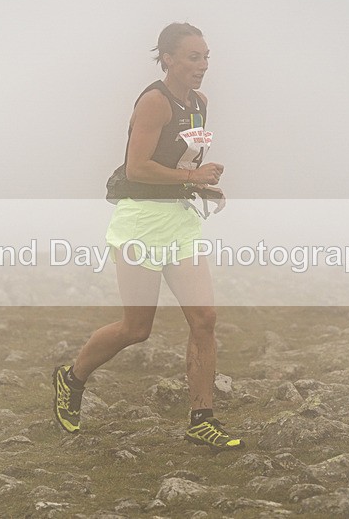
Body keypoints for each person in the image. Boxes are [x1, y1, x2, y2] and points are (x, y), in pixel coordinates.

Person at [52, 23, 244, 451]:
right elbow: (136, 168)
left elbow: (177, 160)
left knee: (204, 320)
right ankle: (71, 378)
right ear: (168, 59)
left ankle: (202, 419)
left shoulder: (200, 104)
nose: (203, 65)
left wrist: (197, 185)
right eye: (193, 57)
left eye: (206, 56)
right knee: (137, 328)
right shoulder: (155, 102)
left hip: (179, 222)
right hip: (140, 224)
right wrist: (191, 175)